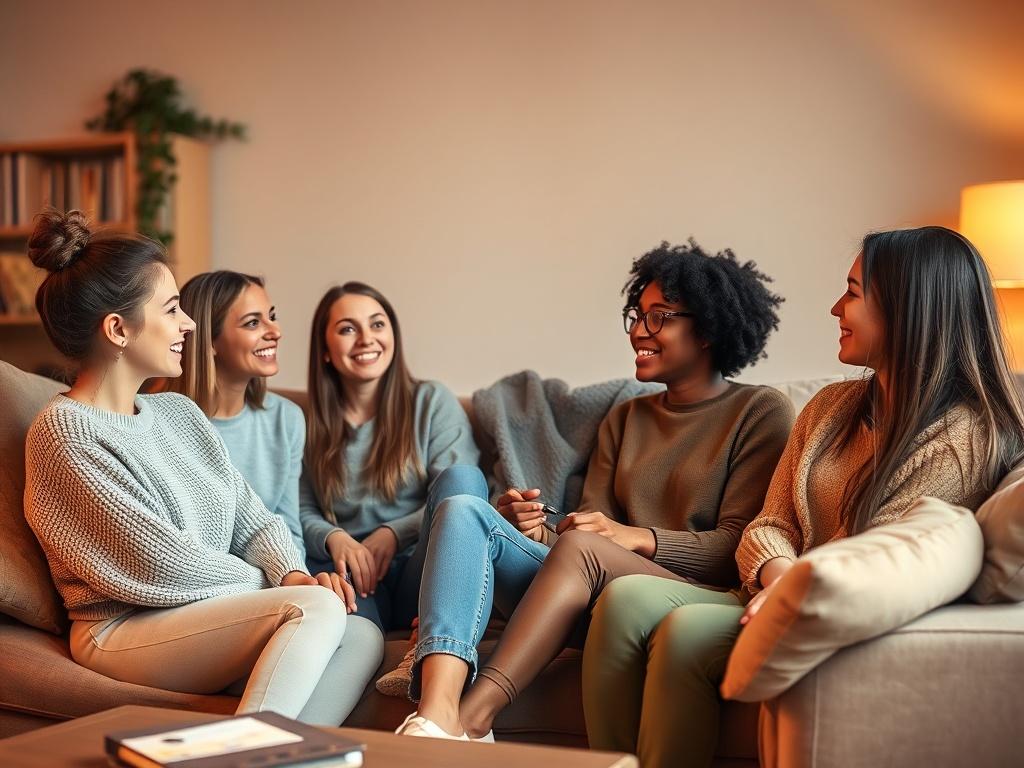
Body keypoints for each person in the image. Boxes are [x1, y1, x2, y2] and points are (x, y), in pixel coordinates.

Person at [583, 226, 1024, 768]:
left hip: (828, 613)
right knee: (623, 598)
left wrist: (794, 591)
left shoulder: (961, 439)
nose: (836, 308)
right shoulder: (830, 407)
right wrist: (781, 578)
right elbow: (769, 524)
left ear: (908, 307)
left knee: (683, 633)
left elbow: (876, 557)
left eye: (853, 293)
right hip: (774, 590)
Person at [397, 241, 794, 740]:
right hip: (591, 596)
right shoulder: (626, 417)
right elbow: (584, 533)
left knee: (583, 548)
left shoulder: (760, 411)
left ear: (709, 330)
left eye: (659, 317)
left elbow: (740, 546)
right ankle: (437, 712)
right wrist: (536, 531)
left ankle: (473, 721)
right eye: (637, 315)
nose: (638, 331)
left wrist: (637, 537)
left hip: (691, 596)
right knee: (464, 510)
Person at [23, 211, 382, 726]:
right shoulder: (66, 432)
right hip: (120, 629)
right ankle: (236, 755)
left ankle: (274, 755)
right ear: (118, 329)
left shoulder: (180, 413)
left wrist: (292, 571)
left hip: (204, 614)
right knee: (315, 609)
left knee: (361, 634)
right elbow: (162, 564)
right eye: (172, 309)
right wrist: (283, 588)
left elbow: (252, 518)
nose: (189, 323)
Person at [300, 282, 480, 632]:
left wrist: (393, 533)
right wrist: (334, 537)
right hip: (356, 574)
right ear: (325, 350)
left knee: (463, 478)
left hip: (425, 567)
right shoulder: (305, 423)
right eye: (348, 329)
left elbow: (462, 499)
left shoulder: (431, 402)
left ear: (392, 335)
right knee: (348, 629)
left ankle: (439, 636)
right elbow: (299, 509)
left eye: (377, 324)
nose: (366, 338)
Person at [169, 270, 305, 557]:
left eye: (272, 316)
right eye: (253, 322)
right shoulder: (162, 423)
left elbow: (289, 531)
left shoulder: (287, 420)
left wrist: (301, 577)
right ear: (210, 340)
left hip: (277, 575)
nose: (275, 332)